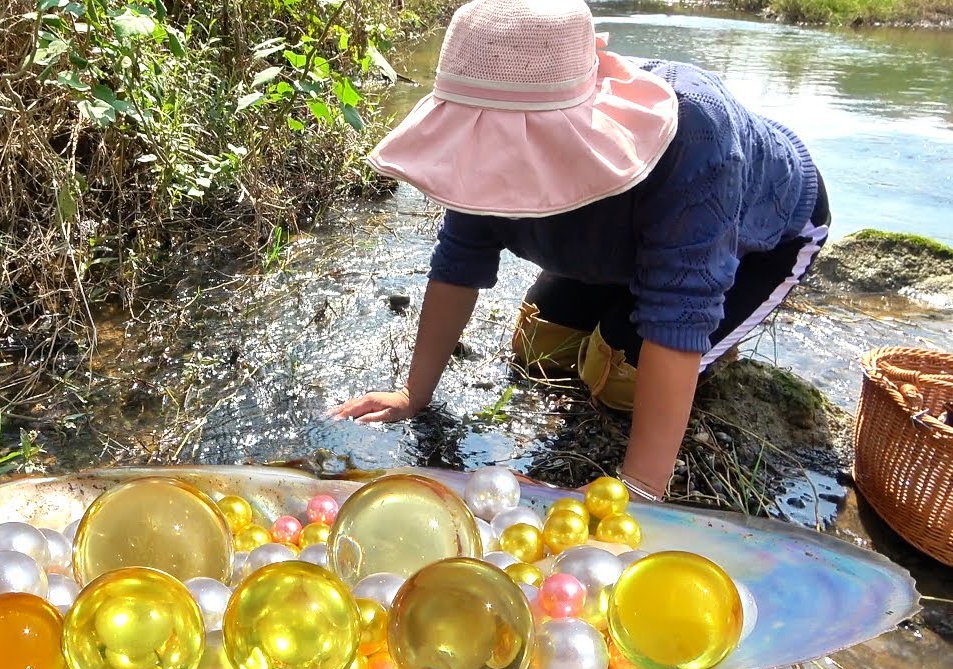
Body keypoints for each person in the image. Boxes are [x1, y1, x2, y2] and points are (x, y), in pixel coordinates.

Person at [331, 0, 830, 502]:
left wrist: (637, 486)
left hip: (759, 236)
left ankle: (713, 328)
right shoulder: (479, 144)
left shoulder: (697, 135)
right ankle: (627, 293)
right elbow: (459, 261)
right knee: (539, 348)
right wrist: (414, 394)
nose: (497, 162)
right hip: (627, 239)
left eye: (516, 145)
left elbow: (681, 311)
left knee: (617, 380)